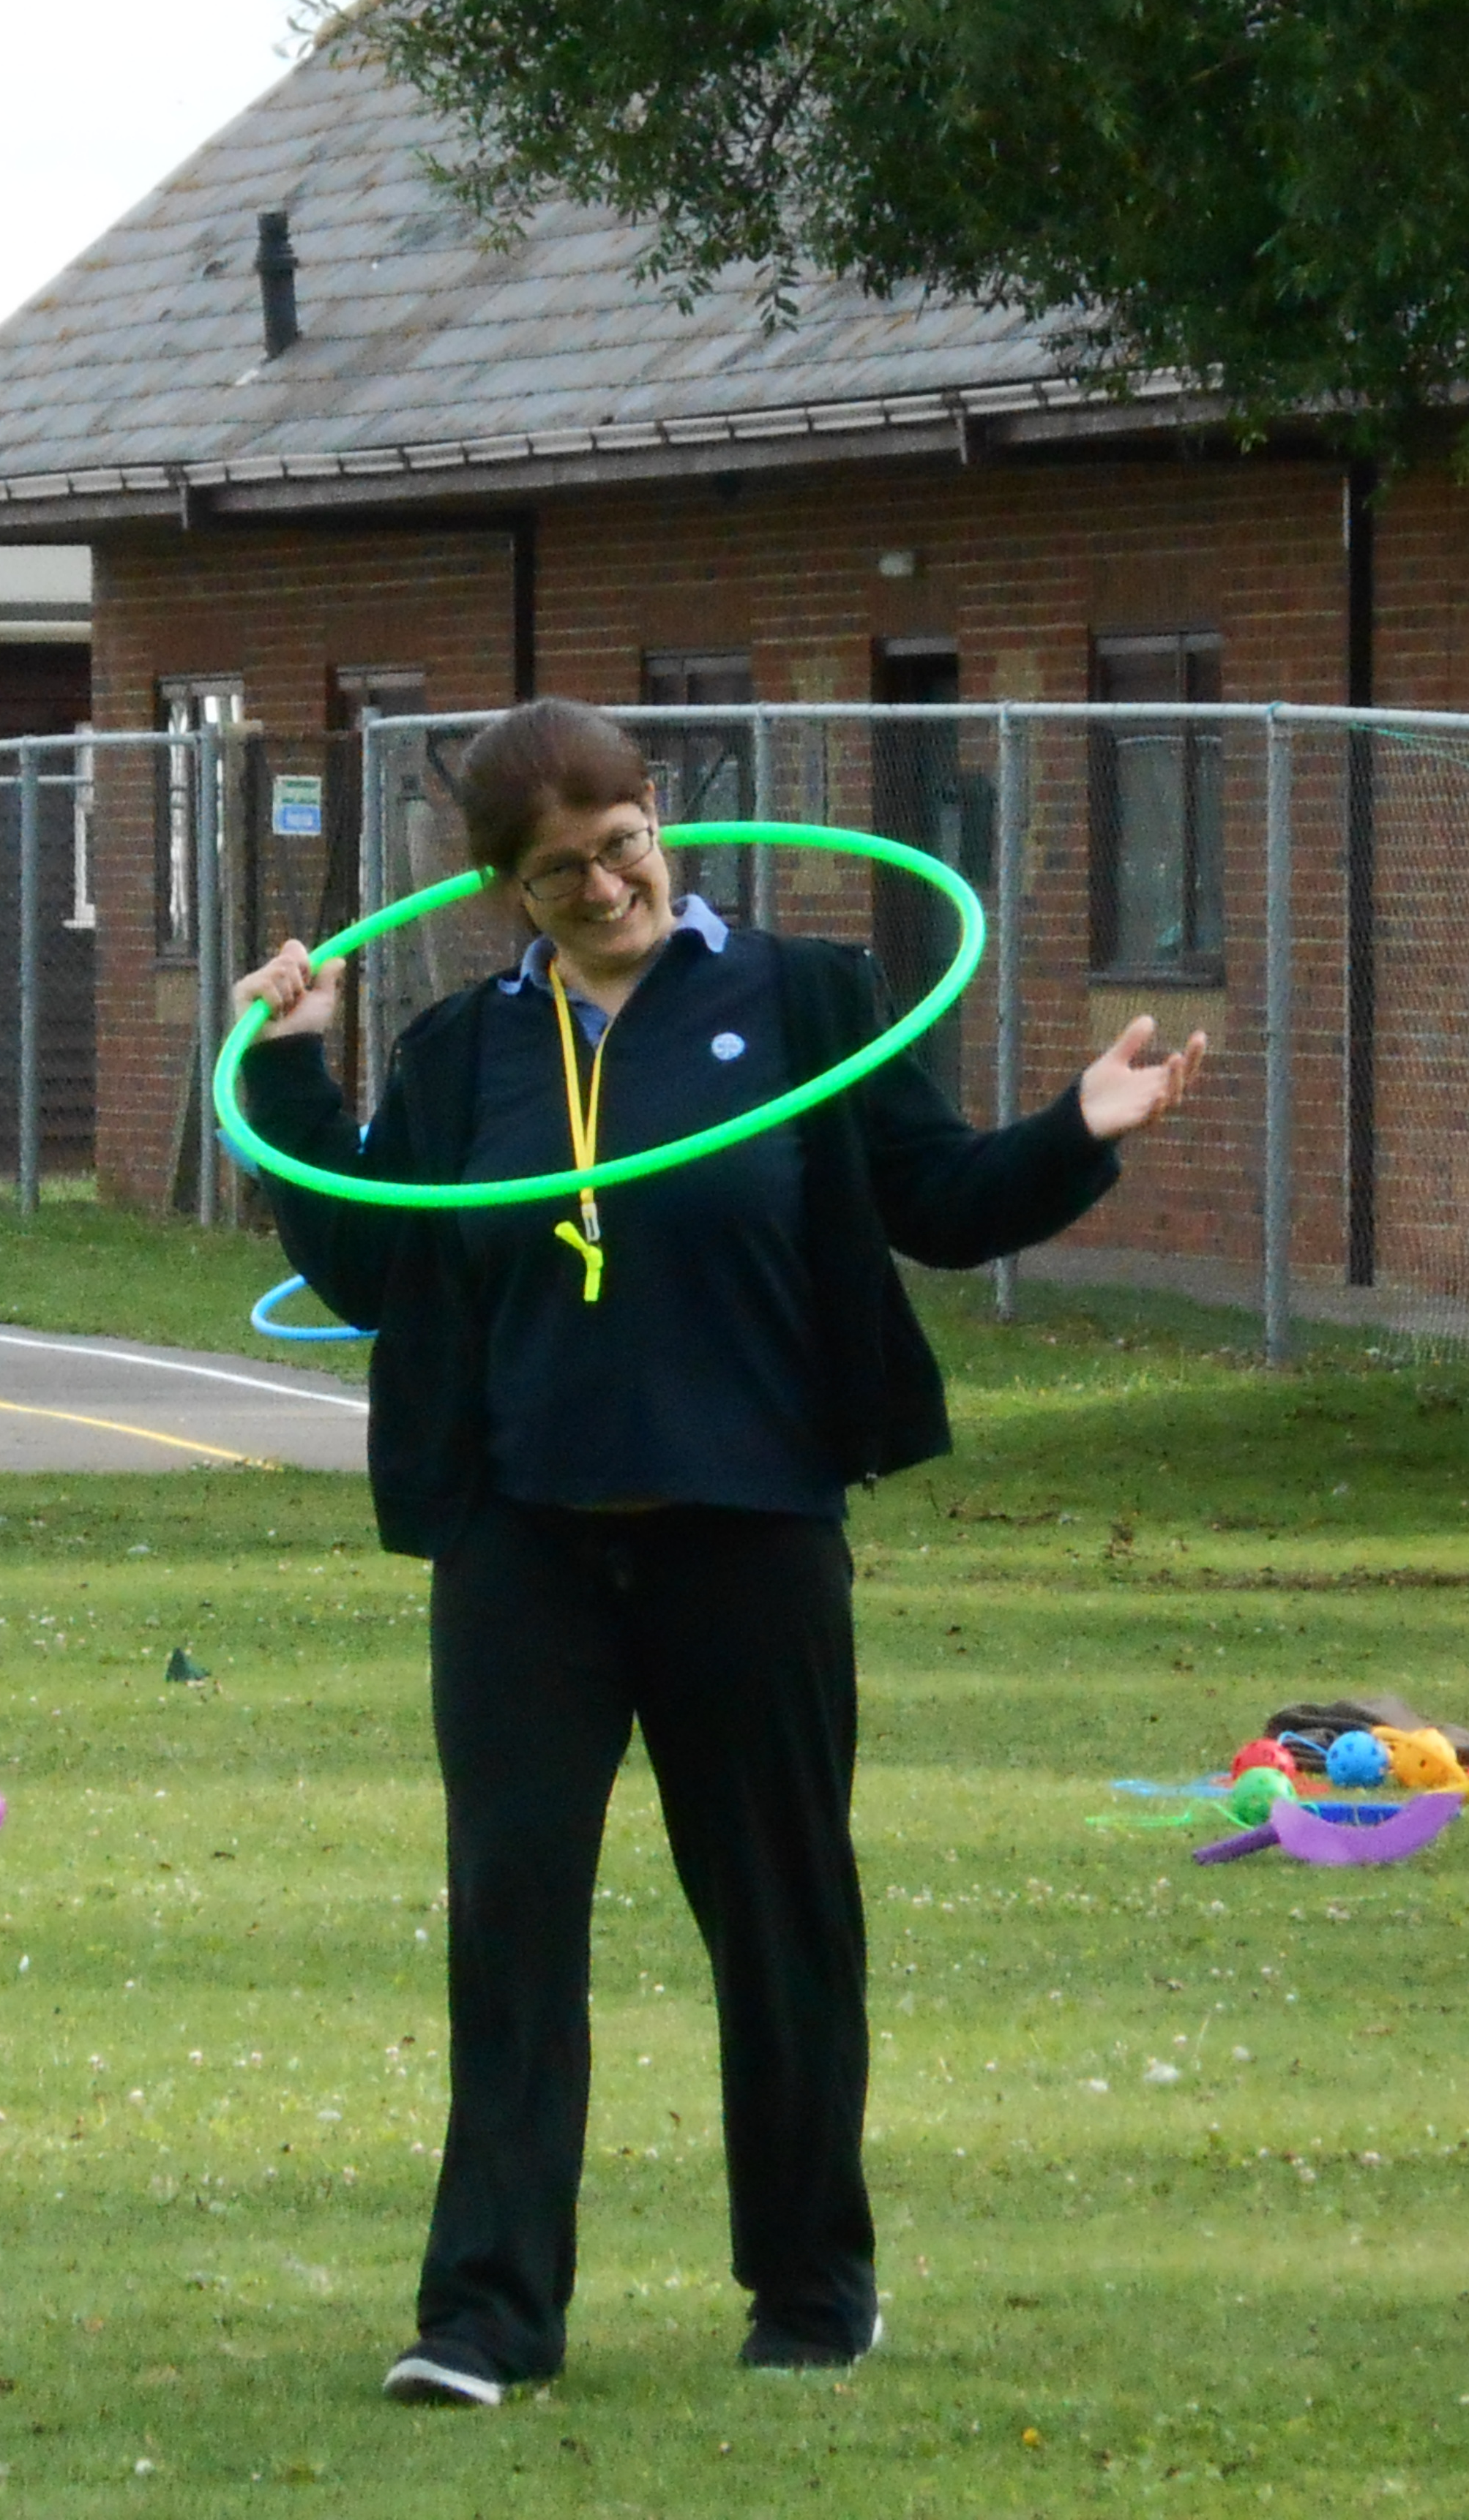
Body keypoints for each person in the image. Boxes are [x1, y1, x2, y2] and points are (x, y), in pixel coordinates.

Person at [231, 697, 1204, 2405]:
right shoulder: (464, 1050)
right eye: (558, 876)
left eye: (621, 846)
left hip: (747, 1534)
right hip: (526, 1551)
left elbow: (938, 1200)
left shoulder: (803, 997)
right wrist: (294, 1070)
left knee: (779, 1915)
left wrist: (1078, 1131)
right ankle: (484, 2317)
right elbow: (375, 1264)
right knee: (511, 1923)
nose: (605, 888)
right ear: (506, 893)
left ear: (658, 817)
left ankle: (814, 2289)